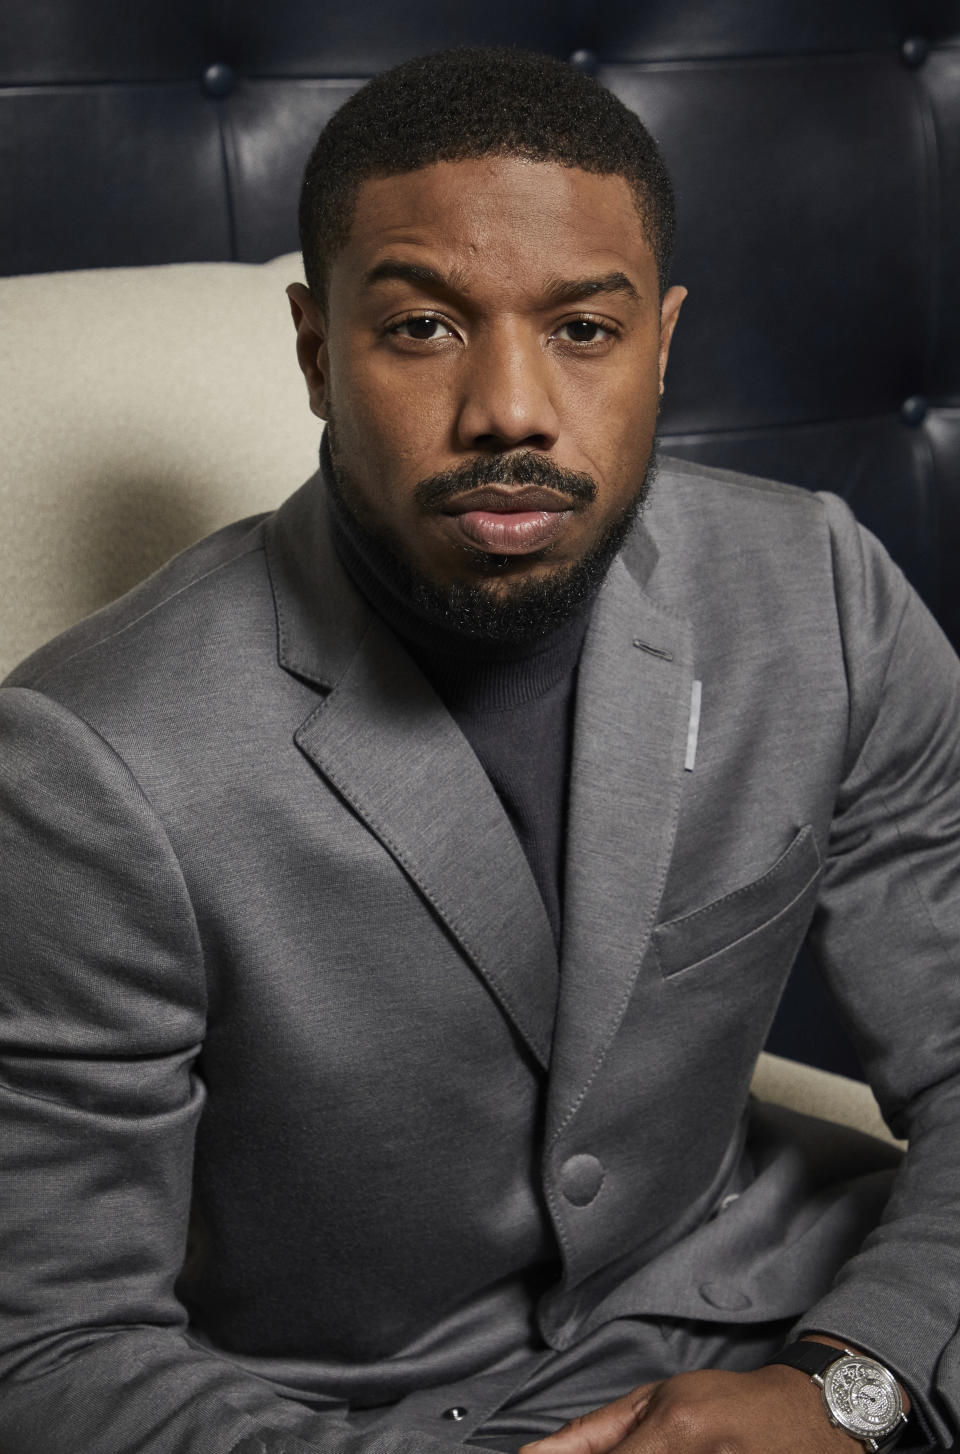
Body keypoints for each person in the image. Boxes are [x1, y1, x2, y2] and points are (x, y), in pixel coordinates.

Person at [1, 44, 958, 1454]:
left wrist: (850, 1385)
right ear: (317, 350)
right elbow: (51, 1341)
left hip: (783, 1313)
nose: (511, 407)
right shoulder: (87, 759)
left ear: (662, 343)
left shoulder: (815, 588)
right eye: (423, 327)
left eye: (583, 327)